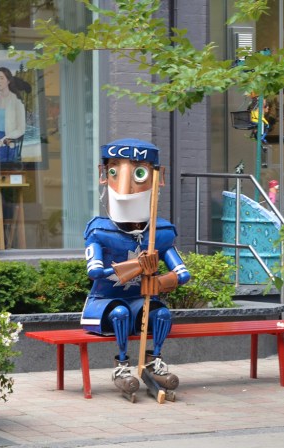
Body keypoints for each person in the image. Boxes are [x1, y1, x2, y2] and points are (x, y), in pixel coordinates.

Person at [81, 138, 190, 402]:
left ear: (158, 178)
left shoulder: (160, 232)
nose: (126, 186)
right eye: (115, 172)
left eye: (139, 172)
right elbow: (94, 272)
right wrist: (136, 267)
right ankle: (121, 365)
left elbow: (183, 273)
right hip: (104, 302)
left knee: (162, 313)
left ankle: (154, 361)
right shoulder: (99, 231)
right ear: (103, 175)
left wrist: (160, 282)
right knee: (119, 312)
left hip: (139, 302)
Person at [0, 67, 26, 162]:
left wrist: (4, 139)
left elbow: (21, 129)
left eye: (1, 78)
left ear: (8, 81)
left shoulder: (17, 101)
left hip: (9, 140)